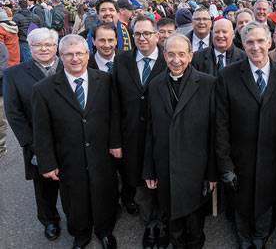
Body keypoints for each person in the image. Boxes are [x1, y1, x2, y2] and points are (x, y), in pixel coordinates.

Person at [32, 34, 118, 249]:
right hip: (68, 157)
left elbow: (115, 115)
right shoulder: (44, 89)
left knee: (104, 194)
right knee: (75, 199)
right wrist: (47, 163)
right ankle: (80, 235)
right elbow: (42, 131)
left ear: (88, 54)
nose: (75, 58)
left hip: (101, 154)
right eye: (69, 54)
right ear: (61, 57)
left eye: (79, 53)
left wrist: (116, 143)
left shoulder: (105, 80)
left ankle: (105, 231)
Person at [216, 21, 276, 249]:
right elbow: (221, 124)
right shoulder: (227, 75)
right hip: (240, 156)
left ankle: (261, 235)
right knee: (241, 198)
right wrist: (225, 164)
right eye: (250, 42)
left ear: (270, 42)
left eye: (261, 41)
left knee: (267, 198)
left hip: (272, 156)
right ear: (242, 44)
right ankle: (244, 237)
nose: (255, 47)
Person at [143, 33, 218, 249]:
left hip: (196, 167)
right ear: (164, 55)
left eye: (182, 55)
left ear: (191, 55)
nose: (177, 60)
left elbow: (215, 133)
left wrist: (212, 173)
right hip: (166, 164)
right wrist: (149, 170)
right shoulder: (155, 84)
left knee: (195, 222)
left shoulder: (208, 84)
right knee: (172, 217)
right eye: (171, 55)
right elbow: (150, 130)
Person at [111, 14, 167, 249]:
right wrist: (115, 140)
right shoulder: (122, 61)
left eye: (146, 33)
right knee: (141, 183)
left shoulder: (169, 59)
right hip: (132, 136)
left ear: (157, 35)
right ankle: (150, 223)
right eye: (137, 34)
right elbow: (114, 103)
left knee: (163, 181)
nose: (142, 38)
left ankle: (164, 224)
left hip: (163, 136)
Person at [3, 28, 62, 239]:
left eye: (48, 44)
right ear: (30, 48)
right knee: (44, 186)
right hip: (38, 142)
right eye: (38, 45)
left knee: (73, 184)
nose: (44, 49)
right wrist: (31, 142)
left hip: (71, 139)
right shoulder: (14, 74)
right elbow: (13, 112)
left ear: (57, 46)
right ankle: (49, 220)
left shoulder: (70, 66)